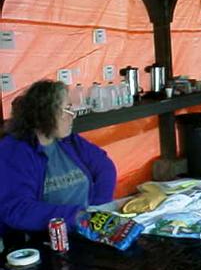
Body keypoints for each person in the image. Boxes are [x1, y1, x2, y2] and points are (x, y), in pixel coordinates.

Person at [0, 80, 116, 239]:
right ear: (45, 113)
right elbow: (17, 209)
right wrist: (74, 217)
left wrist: (98, 208)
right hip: (48, 240)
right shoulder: (14, 151)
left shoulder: (68, 141)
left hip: (85, 230)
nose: (72, 115)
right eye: (67, 109)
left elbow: (104, 167)